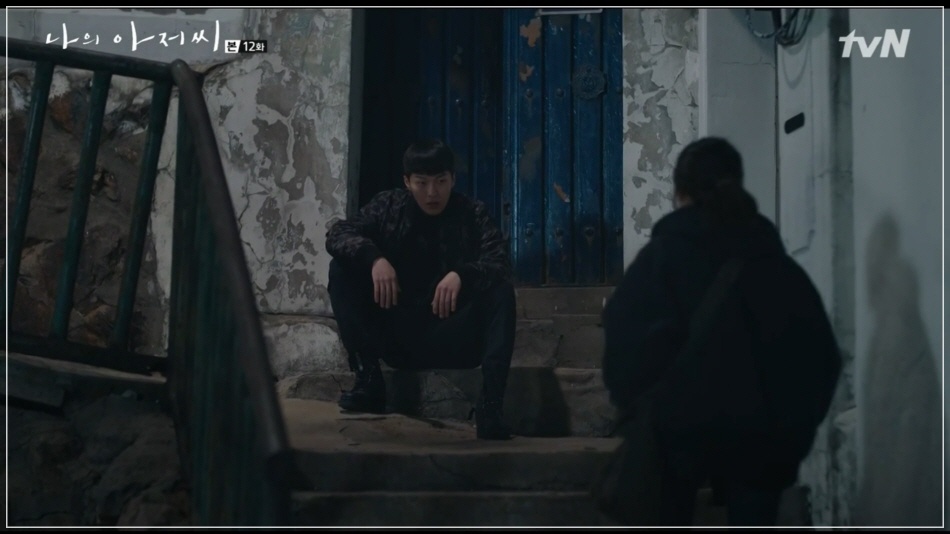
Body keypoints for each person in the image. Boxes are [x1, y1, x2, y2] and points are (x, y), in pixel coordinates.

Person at [601, 137, 841, 525]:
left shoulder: (662, 259)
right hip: (762, 444)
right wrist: (790, 436)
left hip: (675, 439)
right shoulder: (774, 263)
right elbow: (819, 357)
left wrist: (645, 414)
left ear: (680, 193)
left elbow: (624, 346)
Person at [325, 138, 516, 440]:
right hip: (395, 336)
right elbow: (339, 233)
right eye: (421, 183)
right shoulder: (389, 207)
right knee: (341, 269)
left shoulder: (472, 213)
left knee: (501, 291)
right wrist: (374, 259)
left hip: (452, 337)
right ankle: (368, 380)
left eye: (441, 181)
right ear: (407, 182)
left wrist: (462, 275)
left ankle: (491, 408)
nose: (432, 193)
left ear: (453, 179)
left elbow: (500, 262)